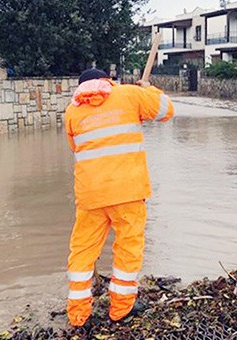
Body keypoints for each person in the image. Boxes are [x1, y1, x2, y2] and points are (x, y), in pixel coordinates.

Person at [63, 69, 175, 327]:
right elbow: (166, 110)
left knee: (82, 249)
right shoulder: (130, 94)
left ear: (82, 88)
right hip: (128, 192)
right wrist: (148, 88)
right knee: (127, 247)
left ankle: (78, 314)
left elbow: (75, 147)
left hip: (90, 194)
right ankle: (121, 309)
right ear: (107, 82)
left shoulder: (72, 111)